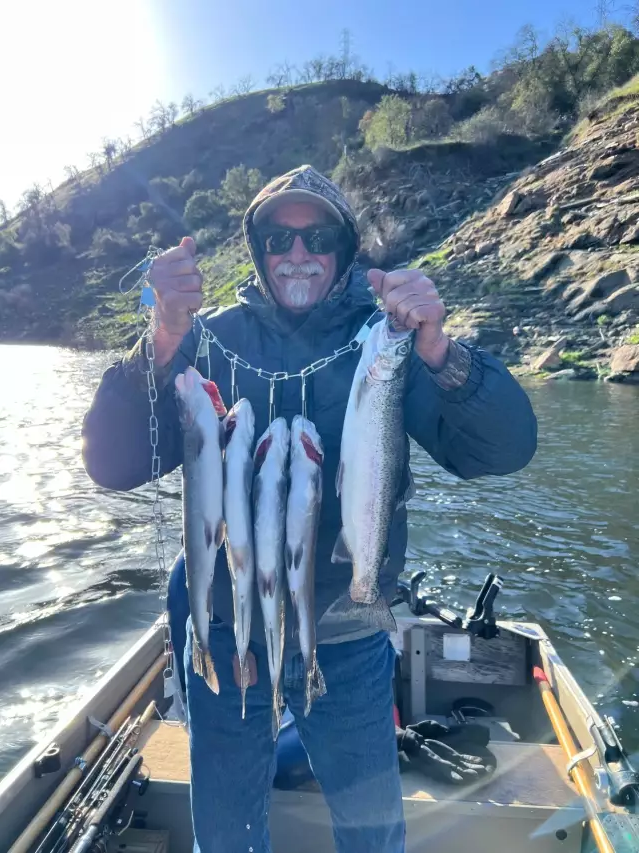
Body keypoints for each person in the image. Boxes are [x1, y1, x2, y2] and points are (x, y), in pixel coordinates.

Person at [82, 164, 537, 853]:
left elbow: (506, 448)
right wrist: (162, 338)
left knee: (371, 830)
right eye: (278, 239)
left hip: (347, 633)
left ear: (344, 250)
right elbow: (110, 463)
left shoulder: (385, 340)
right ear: (259, 250)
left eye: (317, 237)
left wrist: (441, 350)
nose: (298, 255)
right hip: (226, 630)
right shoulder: (208, 338)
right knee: (227, 831)